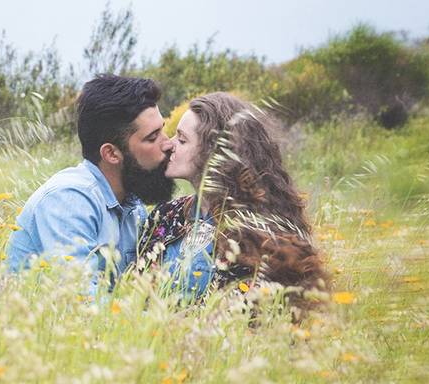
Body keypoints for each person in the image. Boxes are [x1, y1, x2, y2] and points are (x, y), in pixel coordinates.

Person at [138, 92, 329, 314]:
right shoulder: (169, 215)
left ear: (214, 152)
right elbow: (134, 291)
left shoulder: (260, 231)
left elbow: (263, 318)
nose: (169, 145)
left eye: (182, 139)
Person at [6, 75, 175, 294]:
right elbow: (79, 303)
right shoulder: (68, 201)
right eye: (153, 137)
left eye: (163, 129)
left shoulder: (132, 206)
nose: (168, 143)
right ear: (111, 153)